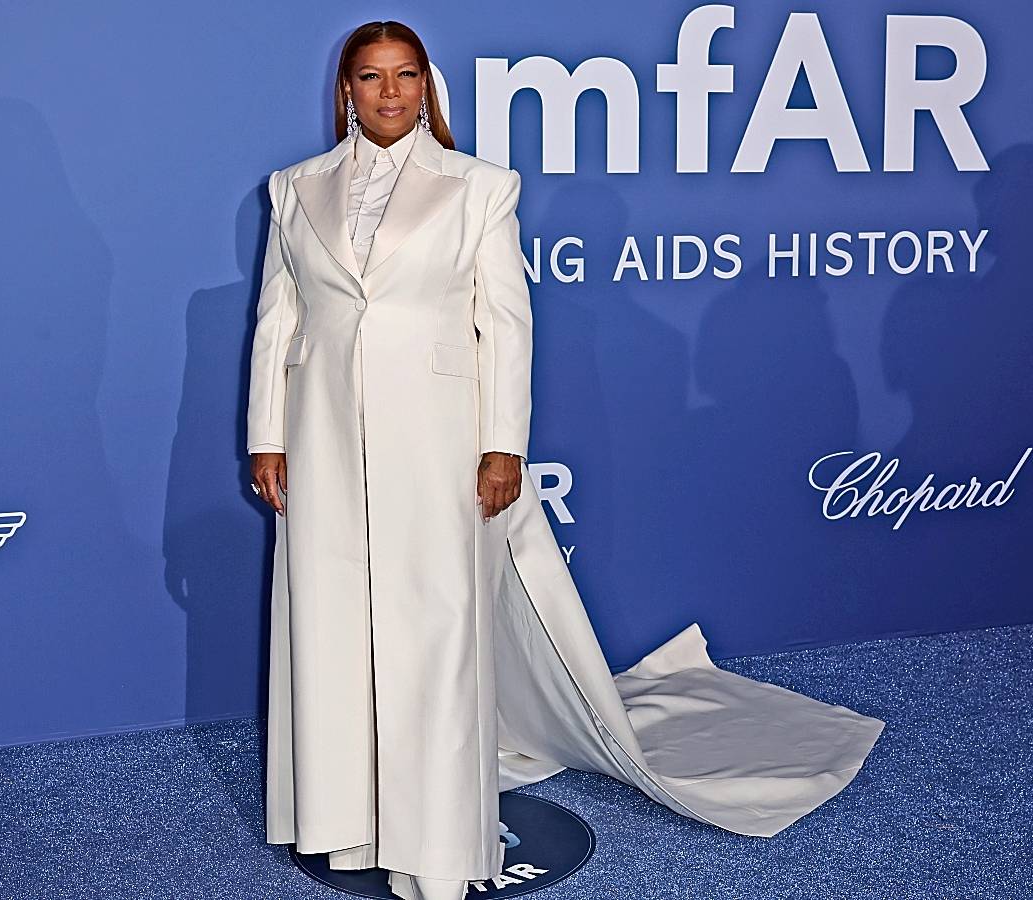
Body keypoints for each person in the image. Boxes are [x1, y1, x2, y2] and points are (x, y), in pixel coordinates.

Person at [245, 21, 886, 900]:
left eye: (405, 76)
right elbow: (278, 321)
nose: (388, 93)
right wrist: (267, 434)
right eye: (370, 77)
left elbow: (508, 323)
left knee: (435, 638)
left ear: (426, 86)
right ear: (345, 90)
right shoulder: (293, 190)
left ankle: (433, 843)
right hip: (318, 442)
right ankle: (345, 826)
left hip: (437, 441)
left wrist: (503, 444)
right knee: (328, 628)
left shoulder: (479, 187)